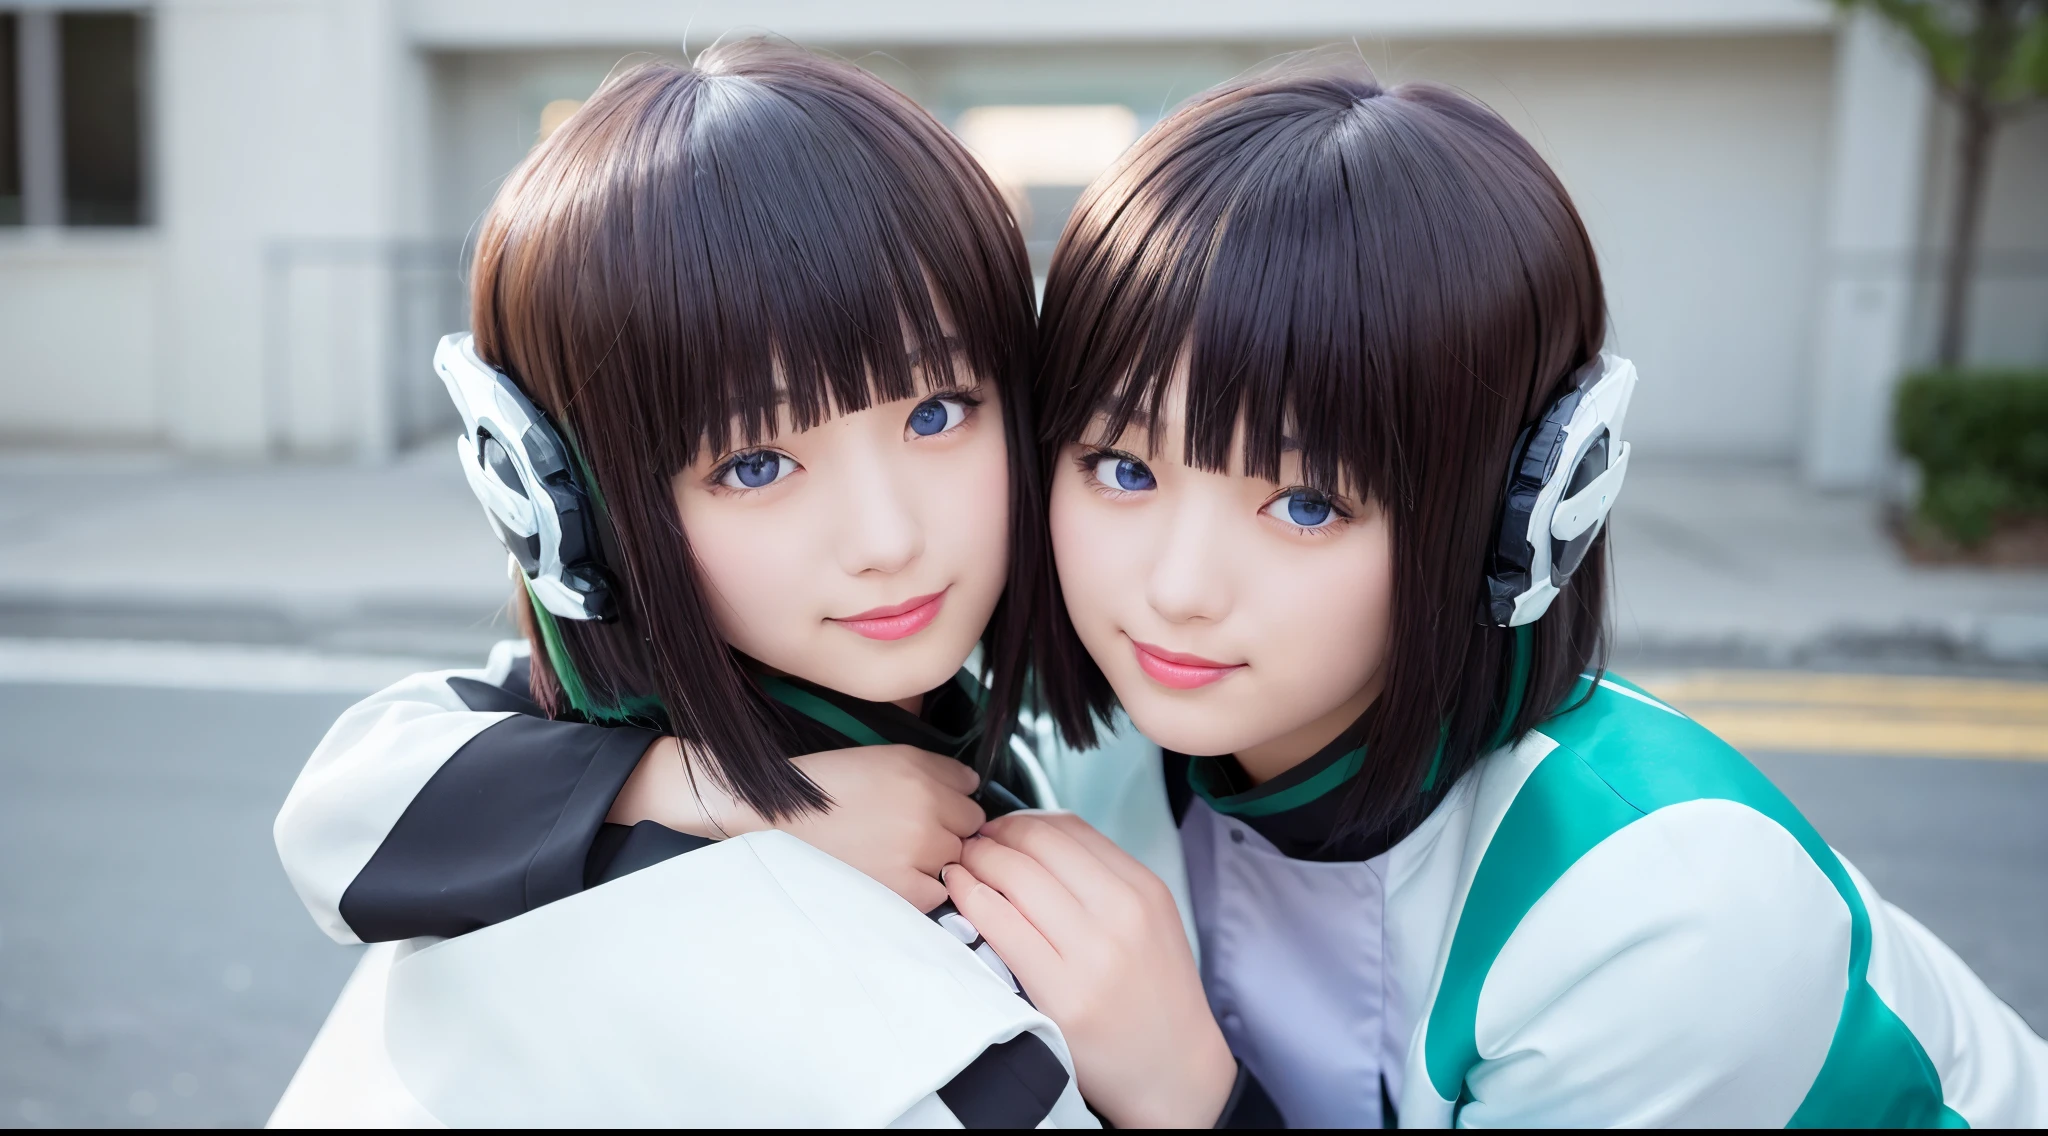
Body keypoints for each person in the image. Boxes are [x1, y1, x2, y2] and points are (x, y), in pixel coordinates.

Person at [937, 61, 2048, 1128]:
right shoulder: (1106, 753)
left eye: (1307, 504)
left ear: (1527, 508)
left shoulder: (1660, 913)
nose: (1173, 589)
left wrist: (1193, 1095)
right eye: (1121, 469)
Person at [268, 40, 1229, 1128]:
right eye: (754, 464)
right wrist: (741, 800)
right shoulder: (625, 771)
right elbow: (340, 812)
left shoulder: (982, 741)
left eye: (935, 411)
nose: (884, 537)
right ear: (570, 508)